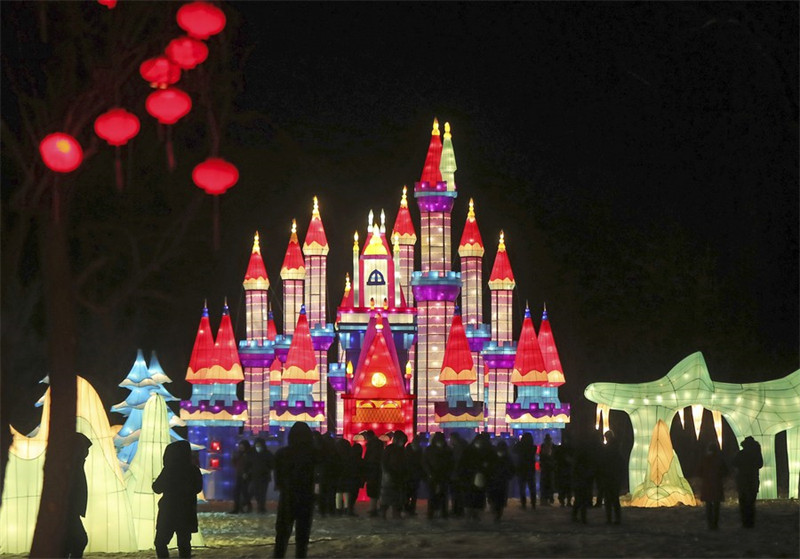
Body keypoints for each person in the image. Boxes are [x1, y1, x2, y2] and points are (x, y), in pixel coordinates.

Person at [152, 440, 203, 559]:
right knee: (184, 543)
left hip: (169, 511)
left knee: (160, 542)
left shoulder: (169, 470)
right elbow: (198, 488)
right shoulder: (193, 470)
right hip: (187, 511)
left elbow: (157, 488)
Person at [274, 422, 318, 558]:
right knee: (303, 534)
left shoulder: (282, 453)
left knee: (282, 533)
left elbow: (278, 475)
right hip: (306, 496)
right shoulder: (313, 454)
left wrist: (281, 485)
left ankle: (279, 556)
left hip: (287, 496)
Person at [63, 432, 92, 558]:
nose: (87, 452)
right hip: (69, 510)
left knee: (70, 542)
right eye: (85, 448)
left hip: (71, 510)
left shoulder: (76, 464)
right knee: (80, 540)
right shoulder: (71, 466)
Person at [462, 433, 496, 520]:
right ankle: (472, 513)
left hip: (479, 477)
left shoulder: (486, 451)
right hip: (471, 477)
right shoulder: (469, 451)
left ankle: (474, 514)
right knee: (472, 496)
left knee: (477, 496)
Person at [733, 436, 763, 528]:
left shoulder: (740, 454)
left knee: (743, 502)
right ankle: (751, 522)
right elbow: (760, 464)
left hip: (742, 480)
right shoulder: (756, 454)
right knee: (751, 502)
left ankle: (744, 522)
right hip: (753, 480)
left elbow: (734, 463)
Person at [698, 441, 728, 530]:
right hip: (717, 484)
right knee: (716, 505)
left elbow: (699, 472)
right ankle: (715, 523)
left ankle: (710, 523)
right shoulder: (720, 460)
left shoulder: (705, 459)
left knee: (708, 505)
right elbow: (725, 471)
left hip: (707, 484)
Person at [424, 432, 453, 519]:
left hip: (442, 475)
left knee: (442, 495)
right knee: (433, 495)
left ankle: (440, 512)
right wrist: (429, 472)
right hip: (434, 475)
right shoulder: (431, 450)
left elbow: (451, 463)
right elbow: (425, 462)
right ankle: (433, 512)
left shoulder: (446, 450)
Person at [380, 430, 408, 518]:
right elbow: (384, 462)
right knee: (389, 496)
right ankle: (387, 513)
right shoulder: (391, 449)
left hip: (397, 476)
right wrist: (387, 473)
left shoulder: (399, 449)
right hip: (391, 477)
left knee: (395, 497)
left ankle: (394, 513)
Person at [598, 430, 624, 525]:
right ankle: (617, 518)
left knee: (608, 500)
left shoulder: (608, 449)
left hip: (608, 476)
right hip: (614, 476)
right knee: (615, 499)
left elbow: (604, 462)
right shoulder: (617, 448)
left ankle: (609, 518)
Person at [487, 440, 515, 521]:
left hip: (495, 481)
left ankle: (496, 513)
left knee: (495, 498)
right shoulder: (507, 458)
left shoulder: (493, 457)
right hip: (501, 481)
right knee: (500, 499)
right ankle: (498, 514)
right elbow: (512, 469)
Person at [512, 432, 537, 509]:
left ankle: (523, 503)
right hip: (530, 469)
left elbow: (514, 449)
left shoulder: (520, 446)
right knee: (532, 487)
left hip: (521, 468)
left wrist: (519, 442)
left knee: (522, 487)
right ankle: (533, 503)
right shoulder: (533, 447)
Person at [363, 430, 383, 517]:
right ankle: (376, 507)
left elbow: (368, 458)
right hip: (377, 469)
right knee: (376, 489)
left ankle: (373, 508)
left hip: (372, 469)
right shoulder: (379, 444)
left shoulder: (371, 445)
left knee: (372, 489)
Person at [251, 438, 274, 514]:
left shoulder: (267, 454)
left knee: (262, 493)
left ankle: (261, 507)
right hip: (255, 476)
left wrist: (266, 469)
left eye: (259, 445)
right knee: (256, 493)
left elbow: (272, 464)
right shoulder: (253, 454)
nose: (258, 447)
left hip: (264, 477)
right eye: (257, 445)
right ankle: (260, 506)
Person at [404, 434, 425, 516]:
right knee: (413, 494)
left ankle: (407, 508)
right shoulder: (419, 450)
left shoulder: (408, 448)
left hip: (409, 474)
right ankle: (411, 509)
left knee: (408, 493)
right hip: (415, 474)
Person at [230, 440, 253, 513]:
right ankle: (237, 508)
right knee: (237, 492)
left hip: (246, 476)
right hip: (239, 475)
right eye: (240, 447)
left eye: (242, 447)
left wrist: (247, 473)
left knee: (244, 492)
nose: (241, 448)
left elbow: (251, 465)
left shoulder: (249, 455)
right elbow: (235, 464)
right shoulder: (239, 454)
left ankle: (246, 507)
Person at [539, 434, 555, 505]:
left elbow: (541, 457)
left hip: (545, 468)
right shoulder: (552, 447)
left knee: (545, 484)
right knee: (549, 483)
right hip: (549, 468)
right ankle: (548, 498)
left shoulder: (543, 447)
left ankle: (545, 499)